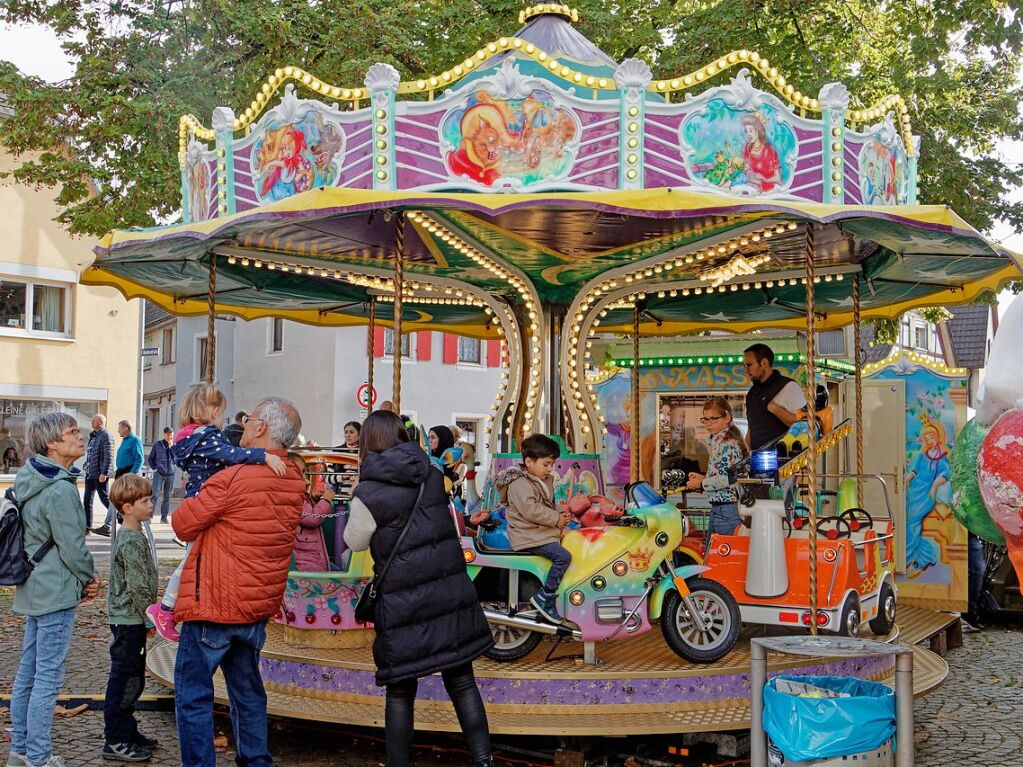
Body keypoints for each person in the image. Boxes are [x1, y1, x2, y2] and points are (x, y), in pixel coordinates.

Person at [344, 411, 494, 767]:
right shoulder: (431, 472)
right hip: (448, 591)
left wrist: (356, 499)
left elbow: (356, 541)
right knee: (462, 681)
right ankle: (484, 760)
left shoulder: (368, 491)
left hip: (403, 600)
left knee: (400, 690)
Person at [172, 397, 306, 767]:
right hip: (256, 603)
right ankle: (255, 760)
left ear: (261, 427)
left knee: (194, 695)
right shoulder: (294, 479)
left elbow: (183, 524)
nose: (242, 426)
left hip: (214, 602)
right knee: (247, 691)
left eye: (248, 420)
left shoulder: (232, 477)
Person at [145, 385, 287, 642]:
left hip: (198, 496)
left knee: (194, 558)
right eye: (221, 413)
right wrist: (262, 456)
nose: (223, 419)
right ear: (210, 412)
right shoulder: (206, 437)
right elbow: (230, 454)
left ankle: (169, 608)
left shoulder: (191, 438)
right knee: (191, 560)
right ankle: (165, 608)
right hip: (204, 498)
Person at [9, 412, 100, 767]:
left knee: (28, 673)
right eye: (72, 432)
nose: (80, 437)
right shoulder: (60, 489)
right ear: (52, 444)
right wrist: (90, 578)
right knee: (46, 676)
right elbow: (73, 548)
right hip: (56, 591)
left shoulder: (30, 479)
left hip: (33, 587)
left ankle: (20, 752)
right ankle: (39, 758)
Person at [102, 474, 159, 763]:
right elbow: (137, 586)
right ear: (127, 508)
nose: (151, 505)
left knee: (132, 676)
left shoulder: (134, 535)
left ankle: (127, 728)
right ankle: (115, 738)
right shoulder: (131, 541)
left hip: (131, 617)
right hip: (130, 619)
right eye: (145, 501)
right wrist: (150, 618)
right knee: (125, 679)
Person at [495, 434, 572, 624]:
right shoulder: (519, 483)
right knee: (563, 557)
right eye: (546, 464)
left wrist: (560, 512)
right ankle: (545, 596)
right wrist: (556, 519)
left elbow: (545, 504)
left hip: (538, 532)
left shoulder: (540, 480)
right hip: (528, 535)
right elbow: (531, 511)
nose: (550, 469)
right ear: (528, 461)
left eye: (551, 465)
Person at [686, 398, 750, 538]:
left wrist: (702, 483)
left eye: (713, 419)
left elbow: (729, 478)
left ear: (727, 417)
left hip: (726, 509)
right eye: (706, 419)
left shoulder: (727, 445)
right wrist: (703, 478)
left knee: (724, 553)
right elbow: (724, 474)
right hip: (721, 508)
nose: (708, 423)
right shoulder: (719, 443)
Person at [742, 343, 806, 451]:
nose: (746, 370)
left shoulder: (788, 387)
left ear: (764, 362)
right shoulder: (752, 394)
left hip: (784, 460)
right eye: (745, 366)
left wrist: (775, 409)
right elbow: (751, 430)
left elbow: (803, 425)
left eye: (749, 365)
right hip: (758, 460)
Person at [293, 481, 337, 572]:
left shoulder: (301, 495)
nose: (308, 481)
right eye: (303, 474)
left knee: (335, 569)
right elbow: (312, 519)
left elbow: (306, 512)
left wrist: (314, 499)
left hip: (310, 558)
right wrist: (326, 500)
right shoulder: (295, 496)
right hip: (305, 561)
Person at [83, 414, 113, 535]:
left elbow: (108, 455)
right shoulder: (94, 435)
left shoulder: (105, 435)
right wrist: (86, 465)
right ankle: (87, 527)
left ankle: (120, 516)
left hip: (99, 473)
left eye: (94, 420)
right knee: (87, 500)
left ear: (100, 423)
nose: (91, 422)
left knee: (105, 498)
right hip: (90, 472)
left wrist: (104, 473)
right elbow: (91, 454)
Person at [147, 427, 175, 523]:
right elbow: (150, 459)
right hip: (159, 473)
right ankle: (149, 516)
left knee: (167, 496)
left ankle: (164, 517)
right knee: (155, 495)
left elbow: (176, 460)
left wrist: (171, 448)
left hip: (170, 474)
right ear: (164, 434)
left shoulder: (174, 446)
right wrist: (155, 467)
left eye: (171, 434)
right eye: (167, 434)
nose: (169, 436)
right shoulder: (157, 445)